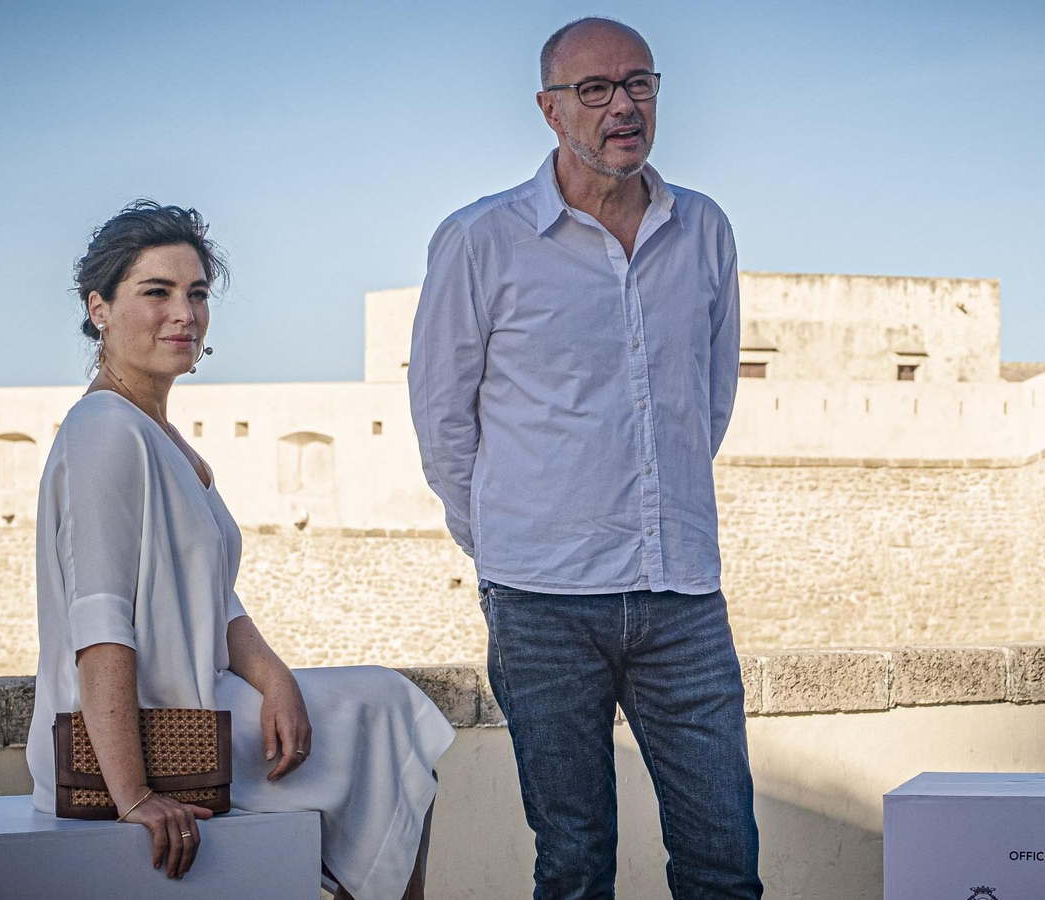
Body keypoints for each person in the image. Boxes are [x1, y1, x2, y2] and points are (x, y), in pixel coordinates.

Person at [407, 17, 761, 900]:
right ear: (550, 109)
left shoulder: (704, 229)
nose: (622, 107)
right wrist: (507, 541)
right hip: (542, 604)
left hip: (682, 594)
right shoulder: (482, 240)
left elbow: (706, 401)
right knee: (573, 864)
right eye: (594, 90)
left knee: (725, 860)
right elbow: (442, 420)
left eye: (638, 83)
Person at [26, 200, 454, 899]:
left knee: (390, 723)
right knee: (388, 716)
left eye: (197, 294)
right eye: (157, 292)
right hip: (154, 732)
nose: (184, 315)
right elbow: (99, 624)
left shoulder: (158, 435)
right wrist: (132, 795)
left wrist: (276, 680)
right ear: (98, 308)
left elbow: (213, 601)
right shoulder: (104, 429)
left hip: (199, 712)